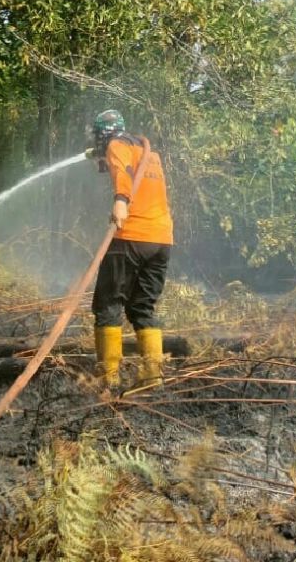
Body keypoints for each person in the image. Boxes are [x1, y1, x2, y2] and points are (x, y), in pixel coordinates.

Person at [89, 109, 173, 388]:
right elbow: (131, 173)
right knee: (142, 307)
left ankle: (108, 380)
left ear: (103, 135)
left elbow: (123, 175)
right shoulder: (149, 154)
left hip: (131, 235)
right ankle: (152, 378)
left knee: (108, 304)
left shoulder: (116, 145)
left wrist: (121, 200)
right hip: (161, 239)